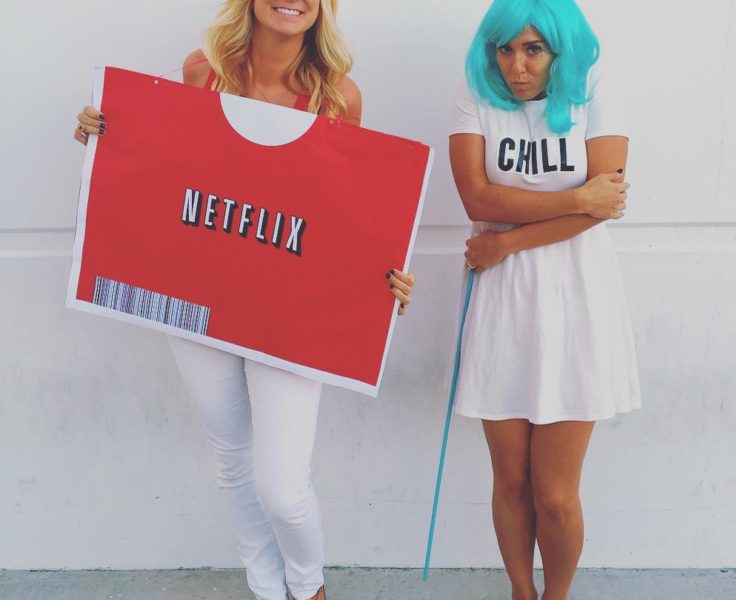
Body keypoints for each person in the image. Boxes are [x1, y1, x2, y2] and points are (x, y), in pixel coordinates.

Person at [72, 2, 416, 599]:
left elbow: (347, 214)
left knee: (281, 488)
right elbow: (170, 166)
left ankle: (308, 588)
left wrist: (383, 280)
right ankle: (265, 588)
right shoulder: (201, 73)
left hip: (291, 314)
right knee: (232, 459)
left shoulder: (338, 97)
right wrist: (104, 134)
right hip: (200, 297)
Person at [448, 0, 641, 599]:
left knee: (555, 492)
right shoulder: (475, 92)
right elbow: (478, 198)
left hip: (578, 300)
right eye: (504, 49)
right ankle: (520, 592)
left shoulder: (593, 88)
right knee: (510, 480)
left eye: (533, 49)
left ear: (560, 49)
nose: (516, 66)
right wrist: (577, 198)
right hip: (502, 302)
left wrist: (508, 242)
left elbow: (604, 207)